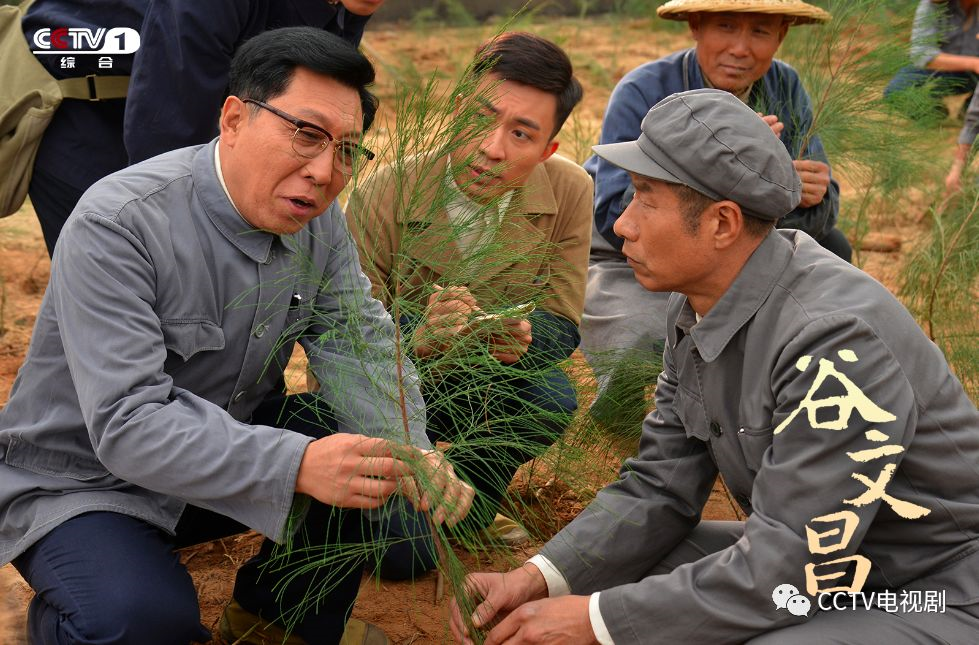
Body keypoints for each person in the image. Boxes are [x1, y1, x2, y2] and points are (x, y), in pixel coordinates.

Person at [449, 88, 979, 645]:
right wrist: (539, 580)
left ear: (723, 224)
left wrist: (593, 622)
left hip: (934, 583)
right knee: (622, 573)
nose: (623, 225)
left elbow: (789, 571)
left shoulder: (832, 339)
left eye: (646, 200)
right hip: (844, 567)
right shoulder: (700, 303)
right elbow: (660, 485)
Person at [0, 27, 472, 645]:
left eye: (348, 149)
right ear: (233, 118)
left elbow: (360, 343)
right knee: (140, 621)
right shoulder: (118, 222)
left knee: (378, 468)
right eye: (305, 133)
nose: (326, 171)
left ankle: (275, 622)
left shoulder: (319, 224)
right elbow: (128, 424)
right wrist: (299, 463)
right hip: (87, 482)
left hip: (223, 456)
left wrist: (413, 445)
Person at [344, 32, 590, 579]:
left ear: (548, 149)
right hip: (394, 397)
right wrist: (417, 340)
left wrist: (523, 339)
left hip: (489, 384)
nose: (492, 148)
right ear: (456, 113)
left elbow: (562, 319)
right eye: (480, 120)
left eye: (521, 134)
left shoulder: (571, 190)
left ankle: (474, 502)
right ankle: (410, 497)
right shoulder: (383, 192)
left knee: (549, 394)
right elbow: (343, 344)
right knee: (403, 560)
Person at [580, 0, 847, 433]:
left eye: (760, 32)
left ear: (781, 36)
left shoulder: (785, 85)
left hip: (733, 248)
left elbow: (818, 212)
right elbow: (615, 214)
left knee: (834, 249)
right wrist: (721, 171)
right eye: (726, 26)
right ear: (696, 27)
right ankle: (633, 425)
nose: (741, 48)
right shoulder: (643, 89)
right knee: (640, 336)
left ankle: (790, 404)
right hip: (636, 254)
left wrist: (809, 194)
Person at [23, 0, 386, 257]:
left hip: (183, 105)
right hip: (90, 110)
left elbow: (310, 93)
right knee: (129, 257)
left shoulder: (345, 7)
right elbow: (168, 121)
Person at [885, 0, 979, 121]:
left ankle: (971, 108)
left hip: (974, 76)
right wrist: (973, 63)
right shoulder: (932, 5)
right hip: (943, 70)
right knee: (897, 91)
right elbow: (922, 55)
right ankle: (935, 114)